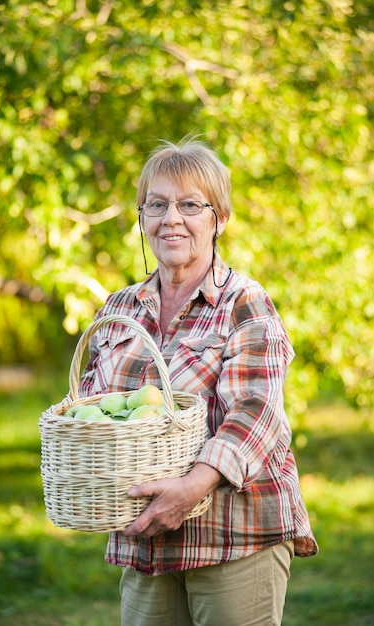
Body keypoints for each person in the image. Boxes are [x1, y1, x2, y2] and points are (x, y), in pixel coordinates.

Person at [79, 136, 318, 626]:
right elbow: (90, 406)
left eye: (190, 204)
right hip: (144, 533)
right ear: (142, 217)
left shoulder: (244, 303)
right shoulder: (119, 309)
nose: (171, 218)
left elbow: (256, 410)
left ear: (220, 218)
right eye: (157, 204)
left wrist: (191, 488)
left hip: (232, 530)